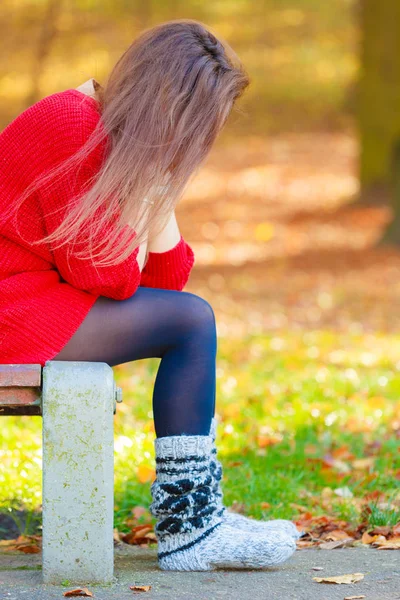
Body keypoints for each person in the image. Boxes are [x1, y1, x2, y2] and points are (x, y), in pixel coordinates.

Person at [0, 19, 301, 571]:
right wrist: (156, 182)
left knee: (187, 319)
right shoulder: (71, 125)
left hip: (33, 302)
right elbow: (107, 276)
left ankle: (198, 513)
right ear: (173, 108)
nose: (200, 147)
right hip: (12, 307)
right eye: (199, 129)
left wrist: (157, 182)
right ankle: (191, 528)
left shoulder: (104, 132)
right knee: (191, 323)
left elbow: (161, 287)